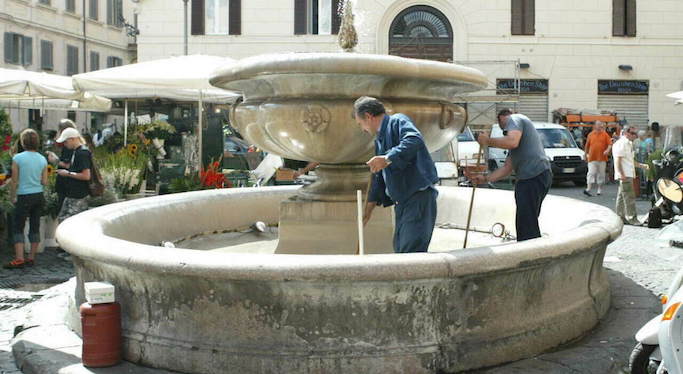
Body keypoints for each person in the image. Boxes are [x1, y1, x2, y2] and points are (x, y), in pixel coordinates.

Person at [354, 96, 438, 253]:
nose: (362, 129)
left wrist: (387, 158)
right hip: (403, 202)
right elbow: (378, 179)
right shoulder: (379, 141)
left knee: (410, 251)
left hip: (418, 198)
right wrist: (368, 210)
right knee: (400, 249)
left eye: (360, 124)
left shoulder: (398, 120)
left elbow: (414, 139)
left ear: (368, 116)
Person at [465, 109, 552, 241]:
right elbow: (507, 168)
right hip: (536, 176)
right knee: (528, 219)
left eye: (504, 130)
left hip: (533, 177)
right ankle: (531, 247)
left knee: (526, 221)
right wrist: (485, 178)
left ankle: (528, 251)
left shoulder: (515, 119)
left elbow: (512, 141)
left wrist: (487, 141)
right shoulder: (516, 146)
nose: (504, 133)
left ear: (501, 119)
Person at [4, 129, 48, 269]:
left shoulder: (18, 158)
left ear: (23, 142)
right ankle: (31, 258)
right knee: (34, 226)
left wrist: (12, 196)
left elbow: (14, 181)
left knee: (18, 227)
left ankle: (19, 258)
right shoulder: (42, 159)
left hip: (23, 196)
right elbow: (45, 182)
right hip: (38, 195)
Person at [613, 126, 649, 226]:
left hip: (626, 174)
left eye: (635, 134)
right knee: (629, 197)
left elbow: (629, 160)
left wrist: (641, 165)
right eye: (633, 133)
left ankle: (620, 217)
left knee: (621, 197)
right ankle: (632, 218)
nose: (635, 136)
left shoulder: (627, 143)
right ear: (626, 133)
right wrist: (621, 174)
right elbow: (618, 160)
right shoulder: (623, 143)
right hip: (625, 174)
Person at [55, 127, 91, 221]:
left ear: (73, 139)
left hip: (78, 195)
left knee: (67, 222)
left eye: (66, 141)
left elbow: (86, 175)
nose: (65, 144)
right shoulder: (78, 151)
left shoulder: (82, 153)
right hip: (73, 194)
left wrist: (67, 174)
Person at [46, 119, 77, 216]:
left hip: (66, 184)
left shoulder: (69, 147)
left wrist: (55, 160)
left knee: (63, 211)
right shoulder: (70, 145)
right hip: (67, 183)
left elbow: (68, 165)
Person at [583, 121, 613, 196]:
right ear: (595, 126)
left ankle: (599, 189)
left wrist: (607, 150)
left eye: (601, 125)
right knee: (591, 173)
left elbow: (610, 144)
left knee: (601, 174)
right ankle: (588, 189)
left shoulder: (605, 134)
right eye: (599, 125)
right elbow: (587, 145)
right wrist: (585, 154)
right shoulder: (591, 134)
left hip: (602, 158)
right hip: (592, 158)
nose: (600, 126)